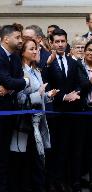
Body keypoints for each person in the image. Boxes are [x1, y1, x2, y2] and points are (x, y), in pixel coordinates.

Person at [0, 24, 29, 192]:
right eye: (17, 37)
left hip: (10, 110)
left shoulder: (15, 57)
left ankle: (1, 187)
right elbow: (13, 80)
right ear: (5, 38)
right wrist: (20, 82)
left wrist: (12, 86)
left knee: (4, 152)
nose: (20, 40)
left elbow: (14, 81)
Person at [10, 39, 58, 192]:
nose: (36, 51)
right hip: (24, 124)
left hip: (37, 123)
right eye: (32, 49)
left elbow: (39, 97)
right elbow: (19, 98)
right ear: (23, 52)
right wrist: (39, 94)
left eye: (36, 49)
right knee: (24, 161)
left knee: (38, 160)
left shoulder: (36, 71)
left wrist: (48, 95)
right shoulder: (19, 72)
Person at [44, 28, 82, 192]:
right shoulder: (47, 62)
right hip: (53, 113)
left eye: (63, 41)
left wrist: (76, 94)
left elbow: (79, 82)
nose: (60, 44)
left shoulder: (73, 63)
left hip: (70, 113)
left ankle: (63, 181)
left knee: (66, 148)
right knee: (52, 148)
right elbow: (45, 85)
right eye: (57, 42)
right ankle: (51, 182)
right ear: (51, 43)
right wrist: (62, 97)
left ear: (67, 43)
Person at [78, 40, 92, 192]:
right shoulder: (79, 67)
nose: (90, 52)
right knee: (84, 146)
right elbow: (81, 86)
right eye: (88, 49)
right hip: (83, 111)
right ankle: (82, 178)